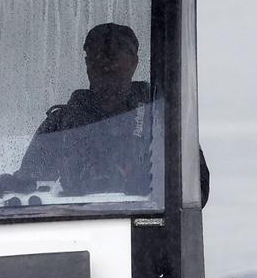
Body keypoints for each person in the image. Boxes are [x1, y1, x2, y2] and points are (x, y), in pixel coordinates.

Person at [19, 22, 208, 203]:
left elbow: (196, 190)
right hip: (72, 229)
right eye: (98, 57)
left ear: (134, 62)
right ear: (87, 63)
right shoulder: (60, 124)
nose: (107, 65)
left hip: (147, 229)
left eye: (114, 57)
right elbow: (29, 186)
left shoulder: (160, 118)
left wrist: (151, 185)